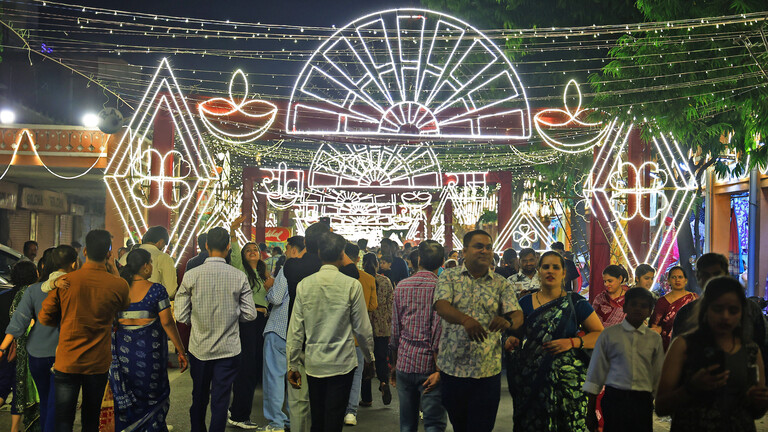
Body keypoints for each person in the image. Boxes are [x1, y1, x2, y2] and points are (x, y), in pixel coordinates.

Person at [39, 229, 131, 432]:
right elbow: (124, 306)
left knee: (63, 421)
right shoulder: (119, 285)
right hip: (97, 363)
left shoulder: (66, 282)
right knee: (91, 419)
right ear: (109, 254)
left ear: (85, 251)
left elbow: (45, 316)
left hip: (68, 359)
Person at [433, 230, 523, 432]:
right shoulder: (449, 277)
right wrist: (465, 320)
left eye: (488, 247)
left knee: (481, 427)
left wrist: (507, 320)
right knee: (460, 425)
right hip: (453, 370)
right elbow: (441, 306)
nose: (484, 251)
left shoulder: (501, 283)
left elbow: (517, 314)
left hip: (487, 372)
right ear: (464, 251)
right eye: (478, 246)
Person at [506, 250, 604, 431]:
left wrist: (572, 343)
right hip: (531, 381)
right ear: (539, 271)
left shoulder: (575, 302)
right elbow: (515, 335)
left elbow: (599, 334)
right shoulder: (525, 302)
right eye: (545, 267)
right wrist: (511, 340)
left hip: (568, 382)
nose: (550, 271)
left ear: (563, 273)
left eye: (555, 267)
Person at [286, 232, 374, 432]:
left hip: (314, 363)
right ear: (342, 253)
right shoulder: (351, 285)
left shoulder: (304, 285)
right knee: (334, 419)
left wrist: (292, 364)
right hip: (343, 362)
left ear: (318, 253)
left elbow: (296, 329)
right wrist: (369, 357)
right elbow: (362, 328)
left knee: (317, 418)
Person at [655, 276, 768, 431]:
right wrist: (691, 388)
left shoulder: (751, 350)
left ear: (742, 313)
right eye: (718, 309)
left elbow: (756, 412)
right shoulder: (683, 345)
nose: (725, 316)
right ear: (705, 309)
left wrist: (759, 401)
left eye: (733, 310)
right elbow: (661, 407)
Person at [174, 227, 258, 432]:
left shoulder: (192, 275)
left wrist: (197, 319)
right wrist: (231, 315)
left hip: (199, 349)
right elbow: (250, 314)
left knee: (199, 397)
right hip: (228, 350)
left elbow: (181, 315)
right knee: (220, 400)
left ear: (206, 246)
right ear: (229, 247)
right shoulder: (239, 276)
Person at [111, 248, 188, 431]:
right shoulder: (157, 290)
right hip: (150, 357)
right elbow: (168, 322)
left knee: (130, 397)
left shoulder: (121, 289)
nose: (152, 266)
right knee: (153, 397)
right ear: (145, 266)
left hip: (125, 357)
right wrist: (181, 350)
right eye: (151, 263)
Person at [1, 246, 76, 431]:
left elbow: (18, 322)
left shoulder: (33, 290)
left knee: (45, 401)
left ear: (43, 266)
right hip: (63, 355)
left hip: (37, 355)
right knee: (56, 406)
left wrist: (2, 348)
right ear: (73, 264)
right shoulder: (75, 287)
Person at [583, 287, 664, 432]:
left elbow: (657, 374)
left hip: (642, 402)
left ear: (650, 311)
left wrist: (657, 401)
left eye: (644, 306)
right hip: (614, 399)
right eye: (633, 304)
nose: (638, 309)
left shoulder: (654, 339)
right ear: (625, 306)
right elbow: (596, 373)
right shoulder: (609, 335)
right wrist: (590, 412)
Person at [390, 240, 447, 432]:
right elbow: (438, 331)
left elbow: (395, 330)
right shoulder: (441, 288)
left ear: (419, 259)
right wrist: (439, 368)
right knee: (434, 424)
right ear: (442, 262)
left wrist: (394, 361)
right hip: (430, 367)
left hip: (405, 363)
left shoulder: (401, 287)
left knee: (407, 424)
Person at [673, 253, 768, 357]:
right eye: (706, 275)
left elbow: (763, 347)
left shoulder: (750, 309)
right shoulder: (687, 313)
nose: (712, 280)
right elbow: (677, 357)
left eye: (717, 274)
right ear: (698, 278)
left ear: (726, 275)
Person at [228, 229, 275, 429]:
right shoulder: (240, 269)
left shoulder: (263, 273)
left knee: (254, 368)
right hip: (248, 322)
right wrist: (232, 233)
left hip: (262, 322)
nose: (252, 251)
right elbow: (236, 252)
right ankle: (238, 414)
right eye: (248, 250)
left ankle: (237, 410)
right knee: (246, 369)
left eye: (255, 249)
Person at [260, 236, 304, 432]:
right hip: (299, 333)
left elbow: (277, 298)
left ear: (294, 249)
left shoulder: (288, 268)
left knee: (274, 378)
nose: (286, 251)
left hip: (278, 328)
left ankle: (276, 422)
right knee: (295, 379)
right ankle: (292, 420)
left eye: (287, 248)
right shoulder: (313, 270)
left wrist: (269, 288)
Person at [2, 260, 39, 432]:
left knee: (3, 387)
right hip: (21, 349)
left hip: (5, 349)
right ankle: (15, 428)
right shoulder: (31, 296)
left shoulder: (5, 296)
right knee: (20, 387)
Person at [344, 243, 378, 425]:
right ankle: (351, 412)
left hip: (338, 334)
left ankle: (338, 408)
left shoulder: (338, 278)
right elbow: (373, 306)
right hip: (358, 334)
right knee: (356, 374)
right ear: (358, 258)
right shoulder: (368, 279)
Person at [359, 253, 393, 410]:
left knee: (366, 361)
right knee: (381, 358)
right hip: (382, 327)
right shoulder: (385, 281)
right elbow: (390, 304)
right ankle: (384, 382)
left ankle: (367, 398)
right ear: (377, 264)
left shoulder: (361, 280)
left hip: (364, 326)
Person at [119, 226, 178, 298]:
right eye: (164, 245)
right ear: (161, 242)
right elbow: (170, 291)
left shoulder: (126, 256)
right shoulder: (163, 257)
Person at [650, 266, 698, 350]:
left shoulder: (693, 297)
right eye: (673, 277)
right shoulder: (662, 301)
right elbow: (654, 326)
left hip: (690, 342)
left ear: (685, 280)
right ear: (668, 280)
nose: (677, 280)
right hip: (667, 345)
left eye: (680, 277)